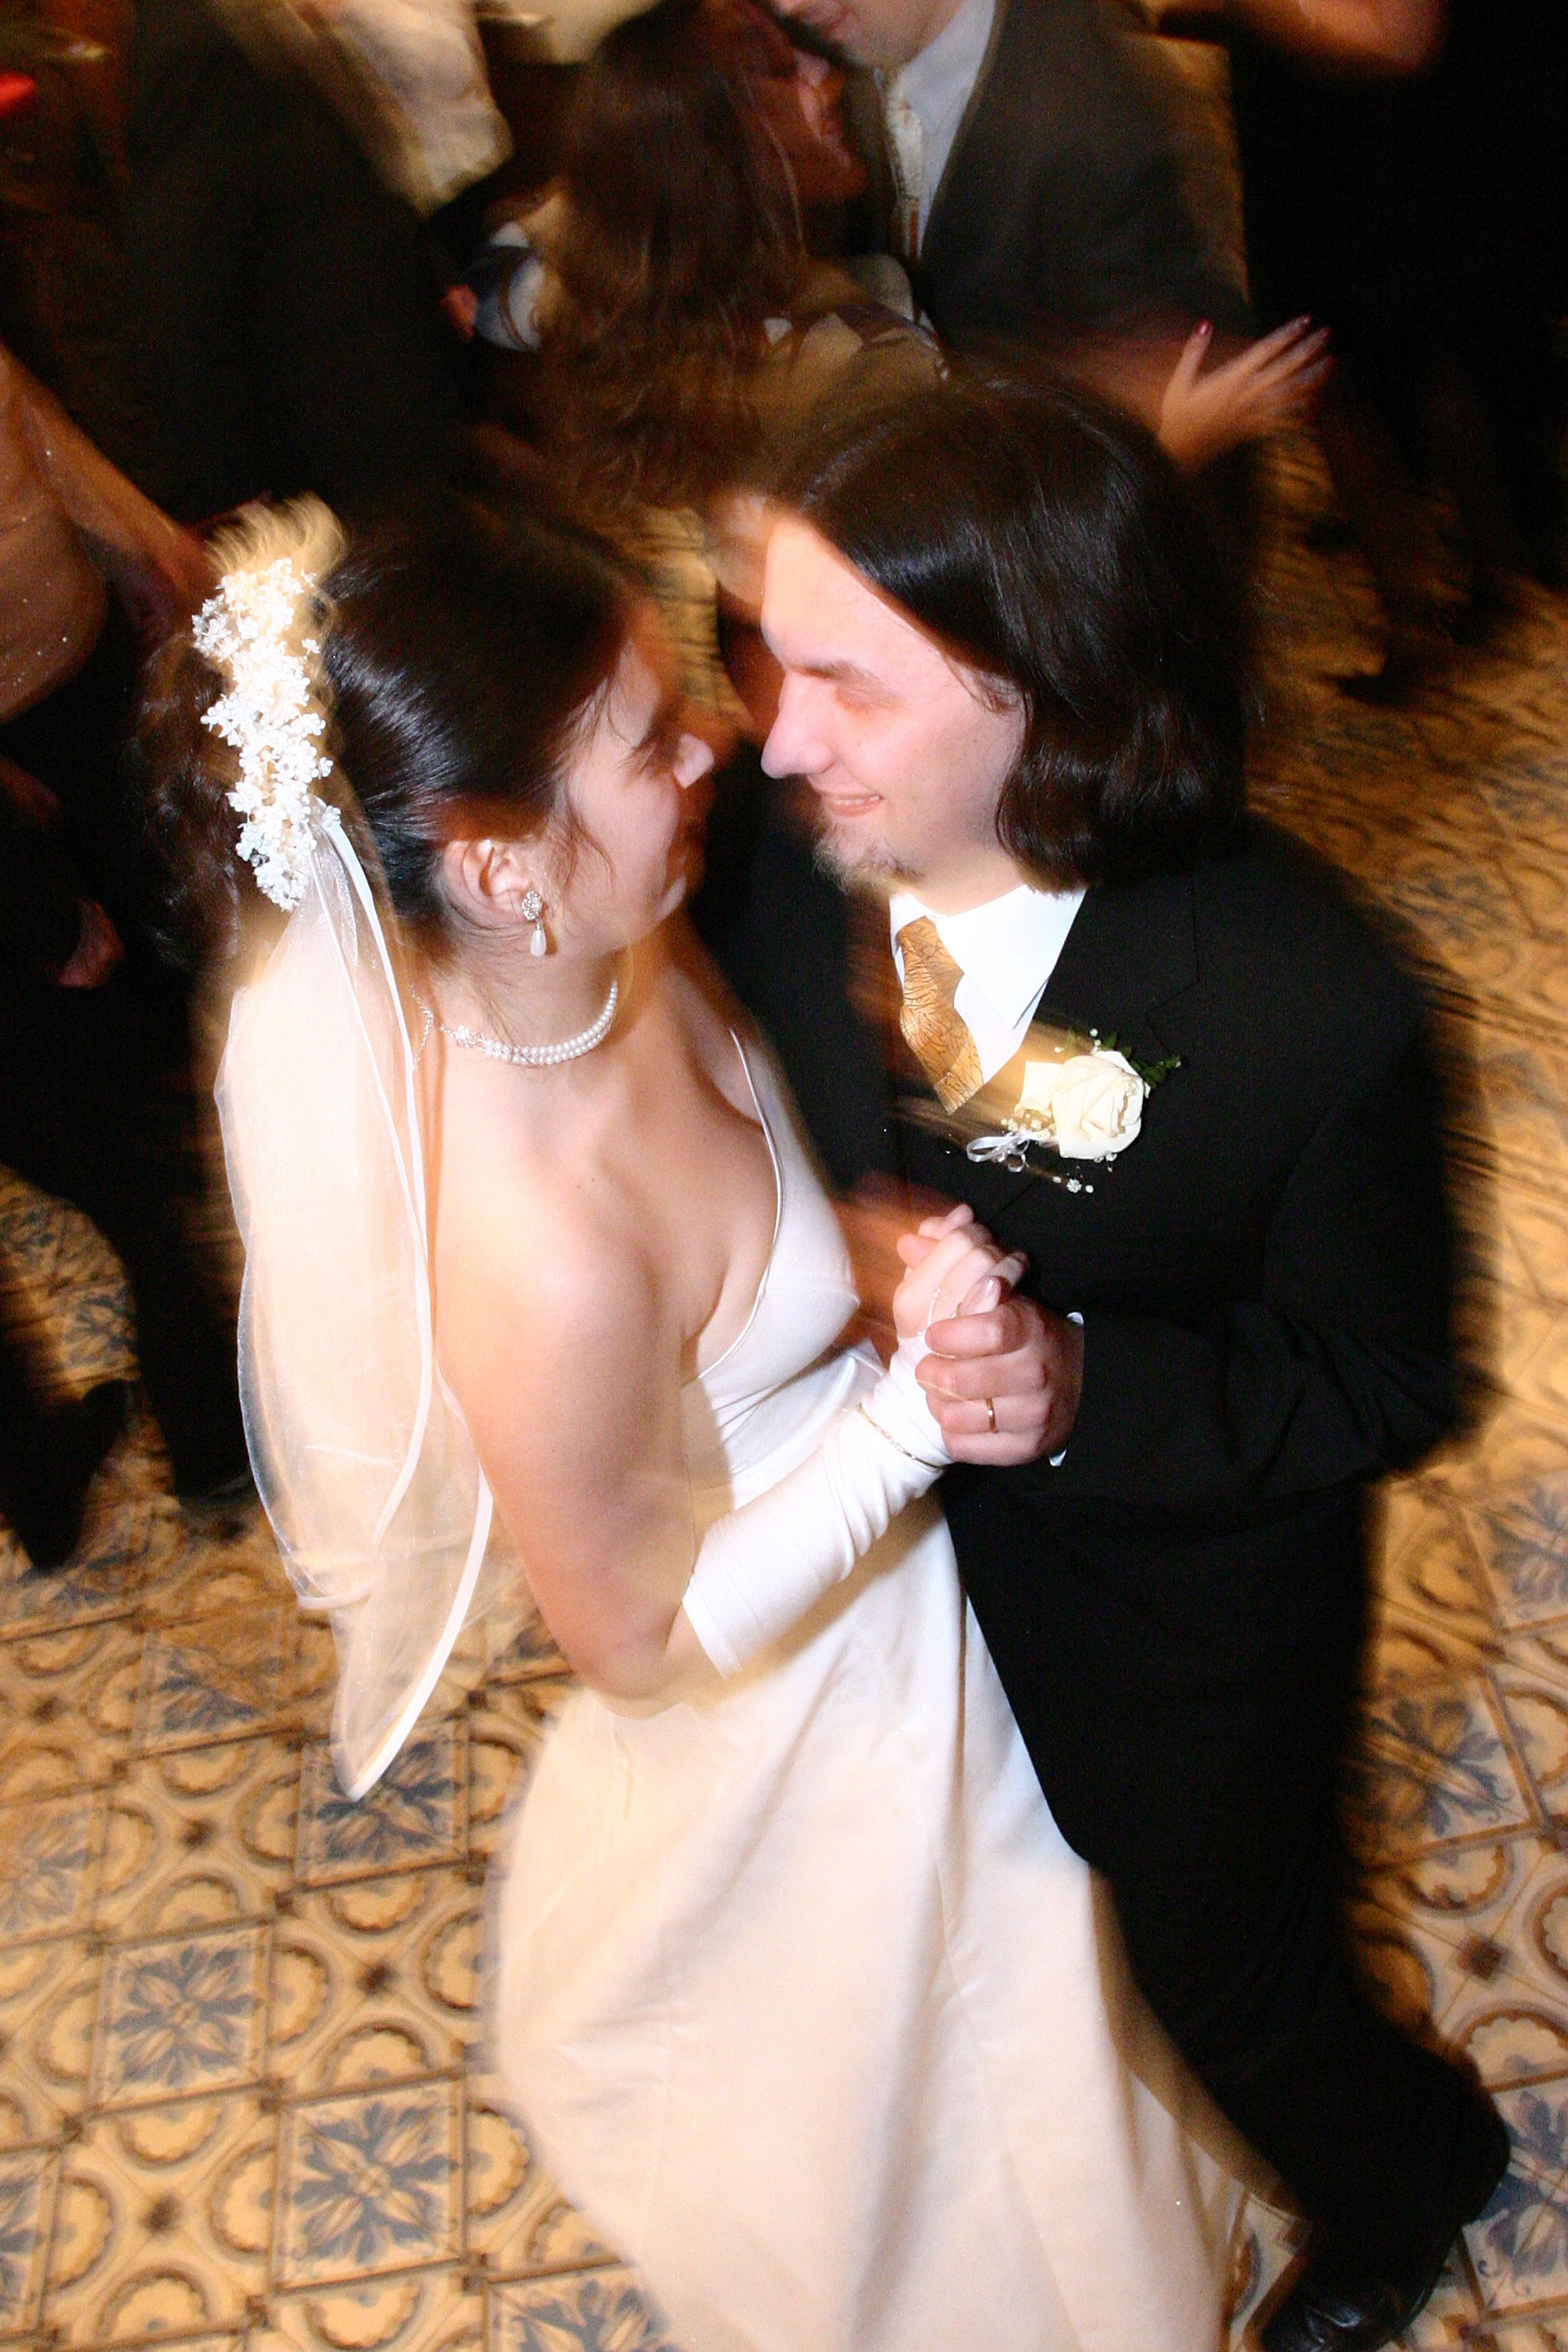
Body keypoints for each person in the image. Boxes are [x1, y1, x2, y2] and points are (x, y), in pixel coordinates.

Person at [142, 492, 1246, 2350]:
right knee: (965, 2091)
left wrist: (877, 1261)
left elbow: (759, 1236)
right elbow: (639, 1640)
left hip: (913, 1595)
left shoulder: (608, 951)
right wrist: (904, 1426)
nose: (716, 747)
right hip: (807, 1694)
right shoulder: (537, 1251)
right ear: (499, 864)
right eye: (650, 739)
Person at [697, 367, 1510, 2352]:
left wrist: (1080, 1390)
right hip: (884, 1588)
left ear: (1039, 680)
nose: (776, 735)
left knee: (1222, 1977)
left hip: (1170, 1627)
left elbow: (1387, 1381)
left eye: (844, 681)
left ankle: (1411, 2176)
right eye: (770, 662)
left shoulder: (1311, 1004)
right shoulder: (780, 855)